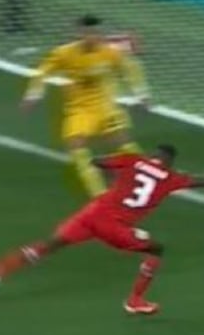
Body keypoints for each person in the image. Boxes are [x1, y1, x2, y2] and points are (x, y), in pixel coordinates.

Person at [0, 145, 204, 315]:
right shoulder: (172, 178)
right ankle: (135, 299)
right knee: (156, 249)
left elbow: (97, 161)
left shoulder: (132, 160)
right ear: (170, 162)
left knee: (52, 243)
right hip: (115, 226)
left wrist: (114, 183)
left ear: (154, 155)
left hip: (94, 211)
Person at [21, 14, 149, 198]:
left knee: (125, 144)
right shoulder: (64, 53)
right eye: (87, 32)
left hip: (106, 108)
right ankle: (100, 196)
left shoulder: (109, 52)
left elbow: (131, 68)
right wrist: (33, 95)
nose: (91, 36)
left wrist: (142, 95)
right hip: (79, 110)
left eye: (95, 32)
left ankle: (149, 175)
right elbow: (41, 72)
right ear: (79, 33)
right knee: (77, 150)